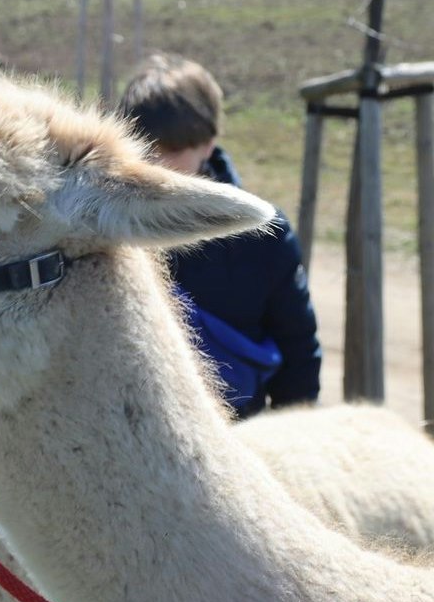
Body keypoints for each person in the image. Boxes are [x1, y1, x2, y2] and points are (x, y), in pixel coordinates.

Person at [117, 53, 323, 418]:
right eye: (146, 149)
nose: (159, 166)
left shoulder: (263, 234)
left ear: (208, 144)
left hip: (237, 436)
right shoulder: (110, 230)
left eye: (175, 149)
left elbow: (298, 355)